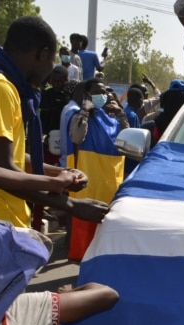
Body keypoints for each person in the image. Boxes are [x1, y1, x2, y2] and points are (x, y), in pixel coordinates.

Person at [0, 16, 108, 229]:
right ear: (42, 54)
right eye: (51, 60)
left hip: (0, 216)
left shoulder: (1, 83)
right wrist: (71, 204)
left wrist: (60, 173)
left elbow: (13, 156)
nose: (52, 68)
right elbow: (1, 170)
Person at [68, 77, 129, 261]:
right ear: (87, 95)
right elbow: (76, 138)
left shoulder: (114, 118)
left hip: (111, 182)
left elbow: (127, 138)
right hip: (90, 181)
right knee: (85, 228)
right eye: (96, 92)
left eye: (103, 92)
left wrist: (120, 114)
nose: (101, 96)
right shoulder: (81, 115)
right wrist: (85, 112)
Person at [40, 65, 70, 166]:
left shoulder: (68, 96)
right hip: (47, 136)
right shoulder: (46, 94)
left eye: (59, 81)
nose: (56, 84)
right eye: (54, 81)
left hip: (63, 136)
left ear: (66, 80)